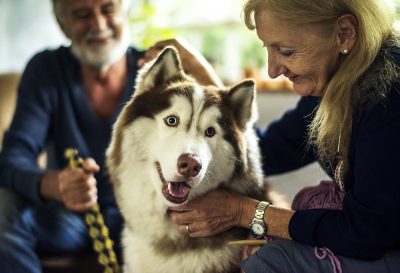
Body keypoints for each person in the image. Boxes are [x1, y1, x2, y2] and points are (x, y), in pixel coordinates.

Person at [139, 0, 400, 272]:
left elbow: (368, 232)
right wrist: (205, 78)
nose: (273, 70)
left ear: (344, 33)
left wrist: (246, 212)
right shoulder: (334, 85)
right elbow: (265, 152)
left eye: (286, 51)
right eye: (268, 49)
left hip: (380, 243)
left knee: (271, 260)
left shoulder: (389, 97)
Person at [0, 0, 144, 272]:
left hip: (147, 221)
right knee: (3, 206)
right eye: (81, 15)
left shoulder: (153, 67)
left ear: (125, 13)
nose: (99, 25)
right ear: (63, 26)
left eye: (108, 9)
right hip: (68, 221)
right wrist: (53, 183)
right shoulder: (46, 69)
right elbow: (11, 159)